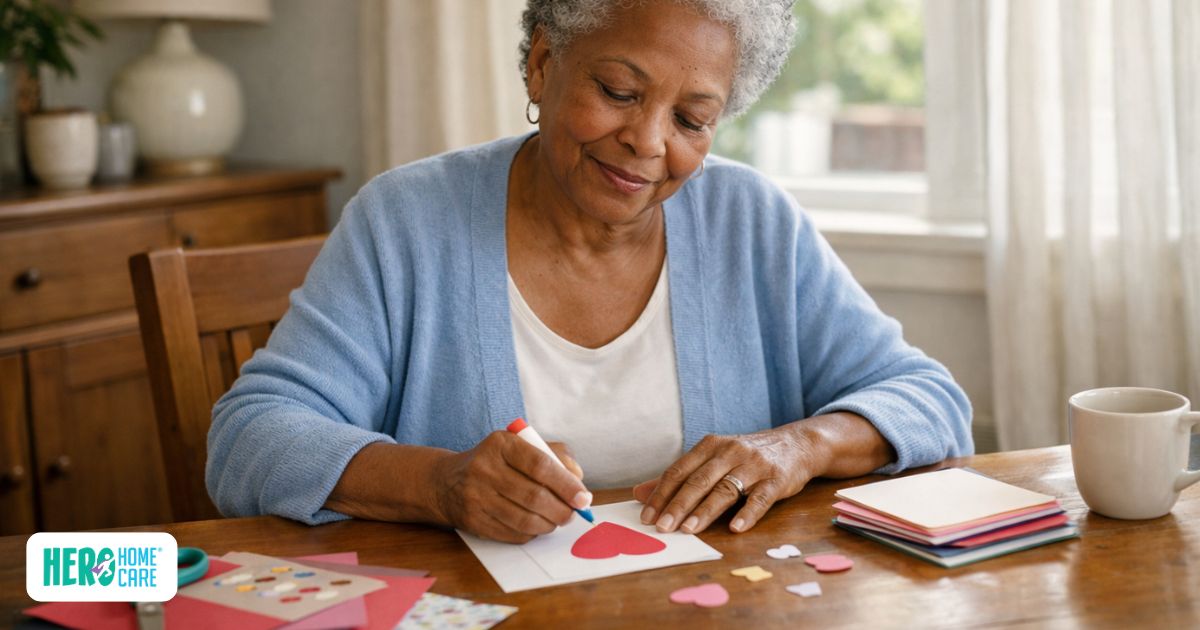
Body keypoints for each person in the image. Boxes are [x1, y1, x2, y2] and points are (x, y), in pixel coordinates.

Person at [208, 0, 973, 544]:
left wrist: (795, 447)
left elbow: (931, 402)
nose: (646, 140)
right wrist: (439, 484)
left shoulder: (752, 220)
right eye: (617, 92)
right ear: (543, 64)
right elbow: (250, 439)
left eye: (691, 119)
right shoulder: (407, 220)